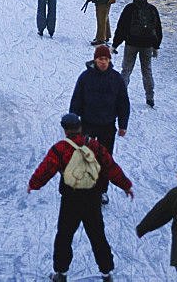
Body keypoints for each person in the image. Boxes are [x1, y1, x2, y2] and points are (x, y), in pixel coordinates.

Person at [28, 113, 133, 282]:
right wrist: (125, 185)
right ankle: (107, 273)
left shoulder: (61, 148)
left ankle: (61, 273)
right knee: (97, 235)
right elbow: (110, 167)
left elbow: (46, 169)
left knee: (64, 235)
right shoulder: (95, 146)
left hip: (70, 198)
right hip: (92, 197)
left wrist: (34, 184)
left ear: (65, 130)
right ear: (80, 128)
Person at [69, 44, 130, 204]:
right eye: (100, 59)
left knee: (104, 159)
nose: (103, 62)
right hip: (88, 124)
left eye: (106, 59)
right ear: (95, 60)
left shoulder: (116, 79)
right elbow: (76, 100)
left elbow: (123, 103)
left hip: (107, 125)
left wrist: (123, 125)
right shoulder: (85, 77)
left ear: (109, 60)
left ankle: (102, 190)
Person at [112, 0, 163, 108]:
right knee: (147, 71)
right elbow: (158, 29)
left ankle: (121, 96)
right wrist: (156, 46)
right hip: (147, 45)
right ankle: (150, 98)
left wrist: (115, 45)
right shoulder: (152, 9)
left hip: (131, 44)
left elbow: (121, 28)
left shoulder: (130, 8)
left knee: (126, 70)